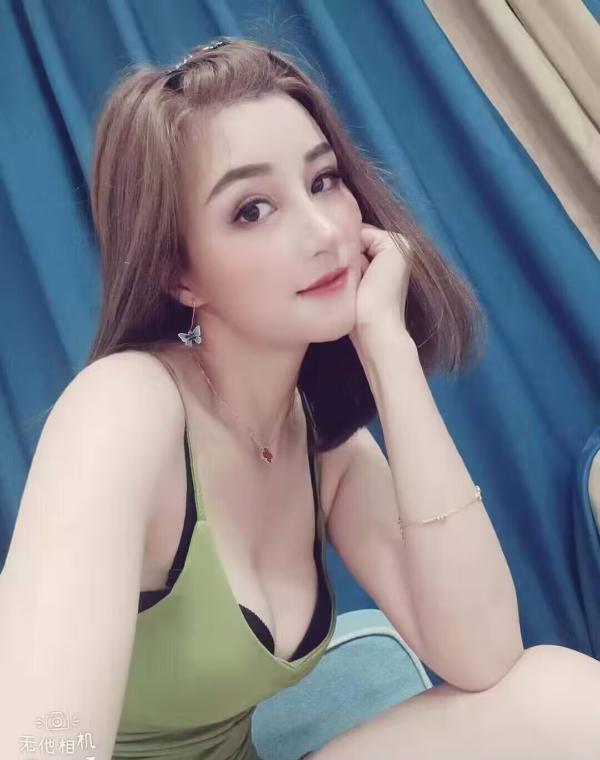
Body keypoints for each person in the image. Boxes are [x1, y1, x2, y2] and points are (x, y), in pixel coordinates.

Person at [3, 35, 600, 760]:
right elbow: (43, 742)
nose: (324, 234)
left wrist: (389, 352)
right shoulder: (123, 411)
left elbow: (485, 654)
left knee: (558, 695)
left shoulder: (326, 449)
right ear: (177, 273)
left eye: (323, 181)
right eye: (252, 209)